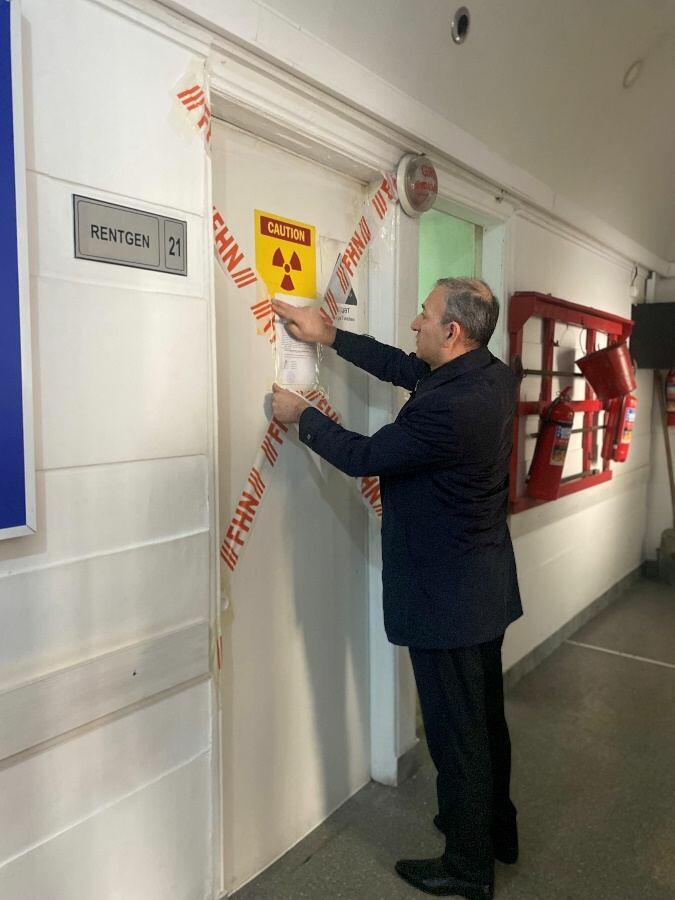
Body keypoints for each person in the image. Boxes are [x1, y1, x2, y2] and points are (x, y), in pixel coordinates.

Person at [270, 277, 522, 900]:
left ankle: (468, 867)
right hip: (483, 587)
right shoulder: (490, 376)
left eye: (425, 315)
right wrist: (329, 335)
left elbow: (364, 456)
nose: (415, 323)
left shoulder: (451, 408)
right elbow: (405, 367)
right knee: (483, 719)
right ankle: (494, 830)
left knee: (456, 735)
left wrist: (302, 416)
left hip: (448, 599)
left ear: (453, 332)